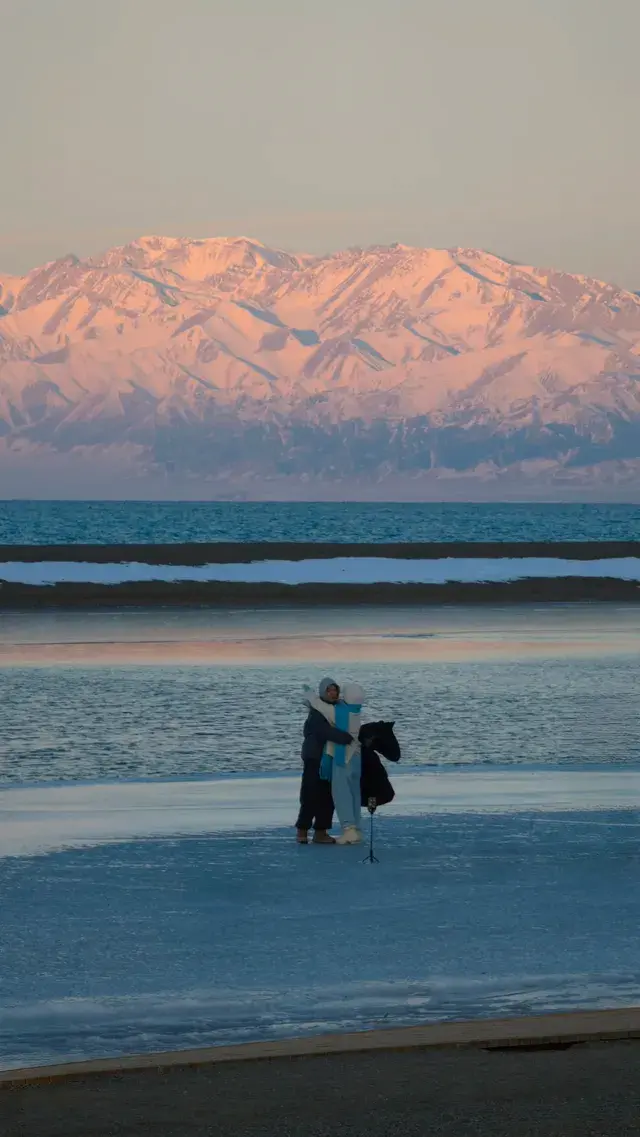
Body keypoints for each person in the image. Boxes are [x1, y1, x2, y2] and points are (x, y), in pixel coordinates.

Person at [305, 681, 366, 845]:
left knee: (342, 793)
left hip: (343, 758)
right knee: (355, 794)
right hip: (357, 756)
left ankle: (349, 829)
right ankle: (357, 828)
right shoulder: (356, 712)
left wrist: (309, 694)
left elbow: (320, 706)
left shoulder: (338, 711)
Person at [295, 677, 353, 845]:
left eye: (335, 690)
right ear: (322, 692)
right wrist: (347, 738)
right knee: (310, 794)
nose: (333, 694)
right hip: (315, 758)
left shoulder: (339, 711)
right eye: (329, 691)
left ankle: (321, 831)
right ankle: (302, 830)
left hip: (332, 758)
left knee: (328, 796)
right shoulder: (317, 712)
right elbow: (325, 732)